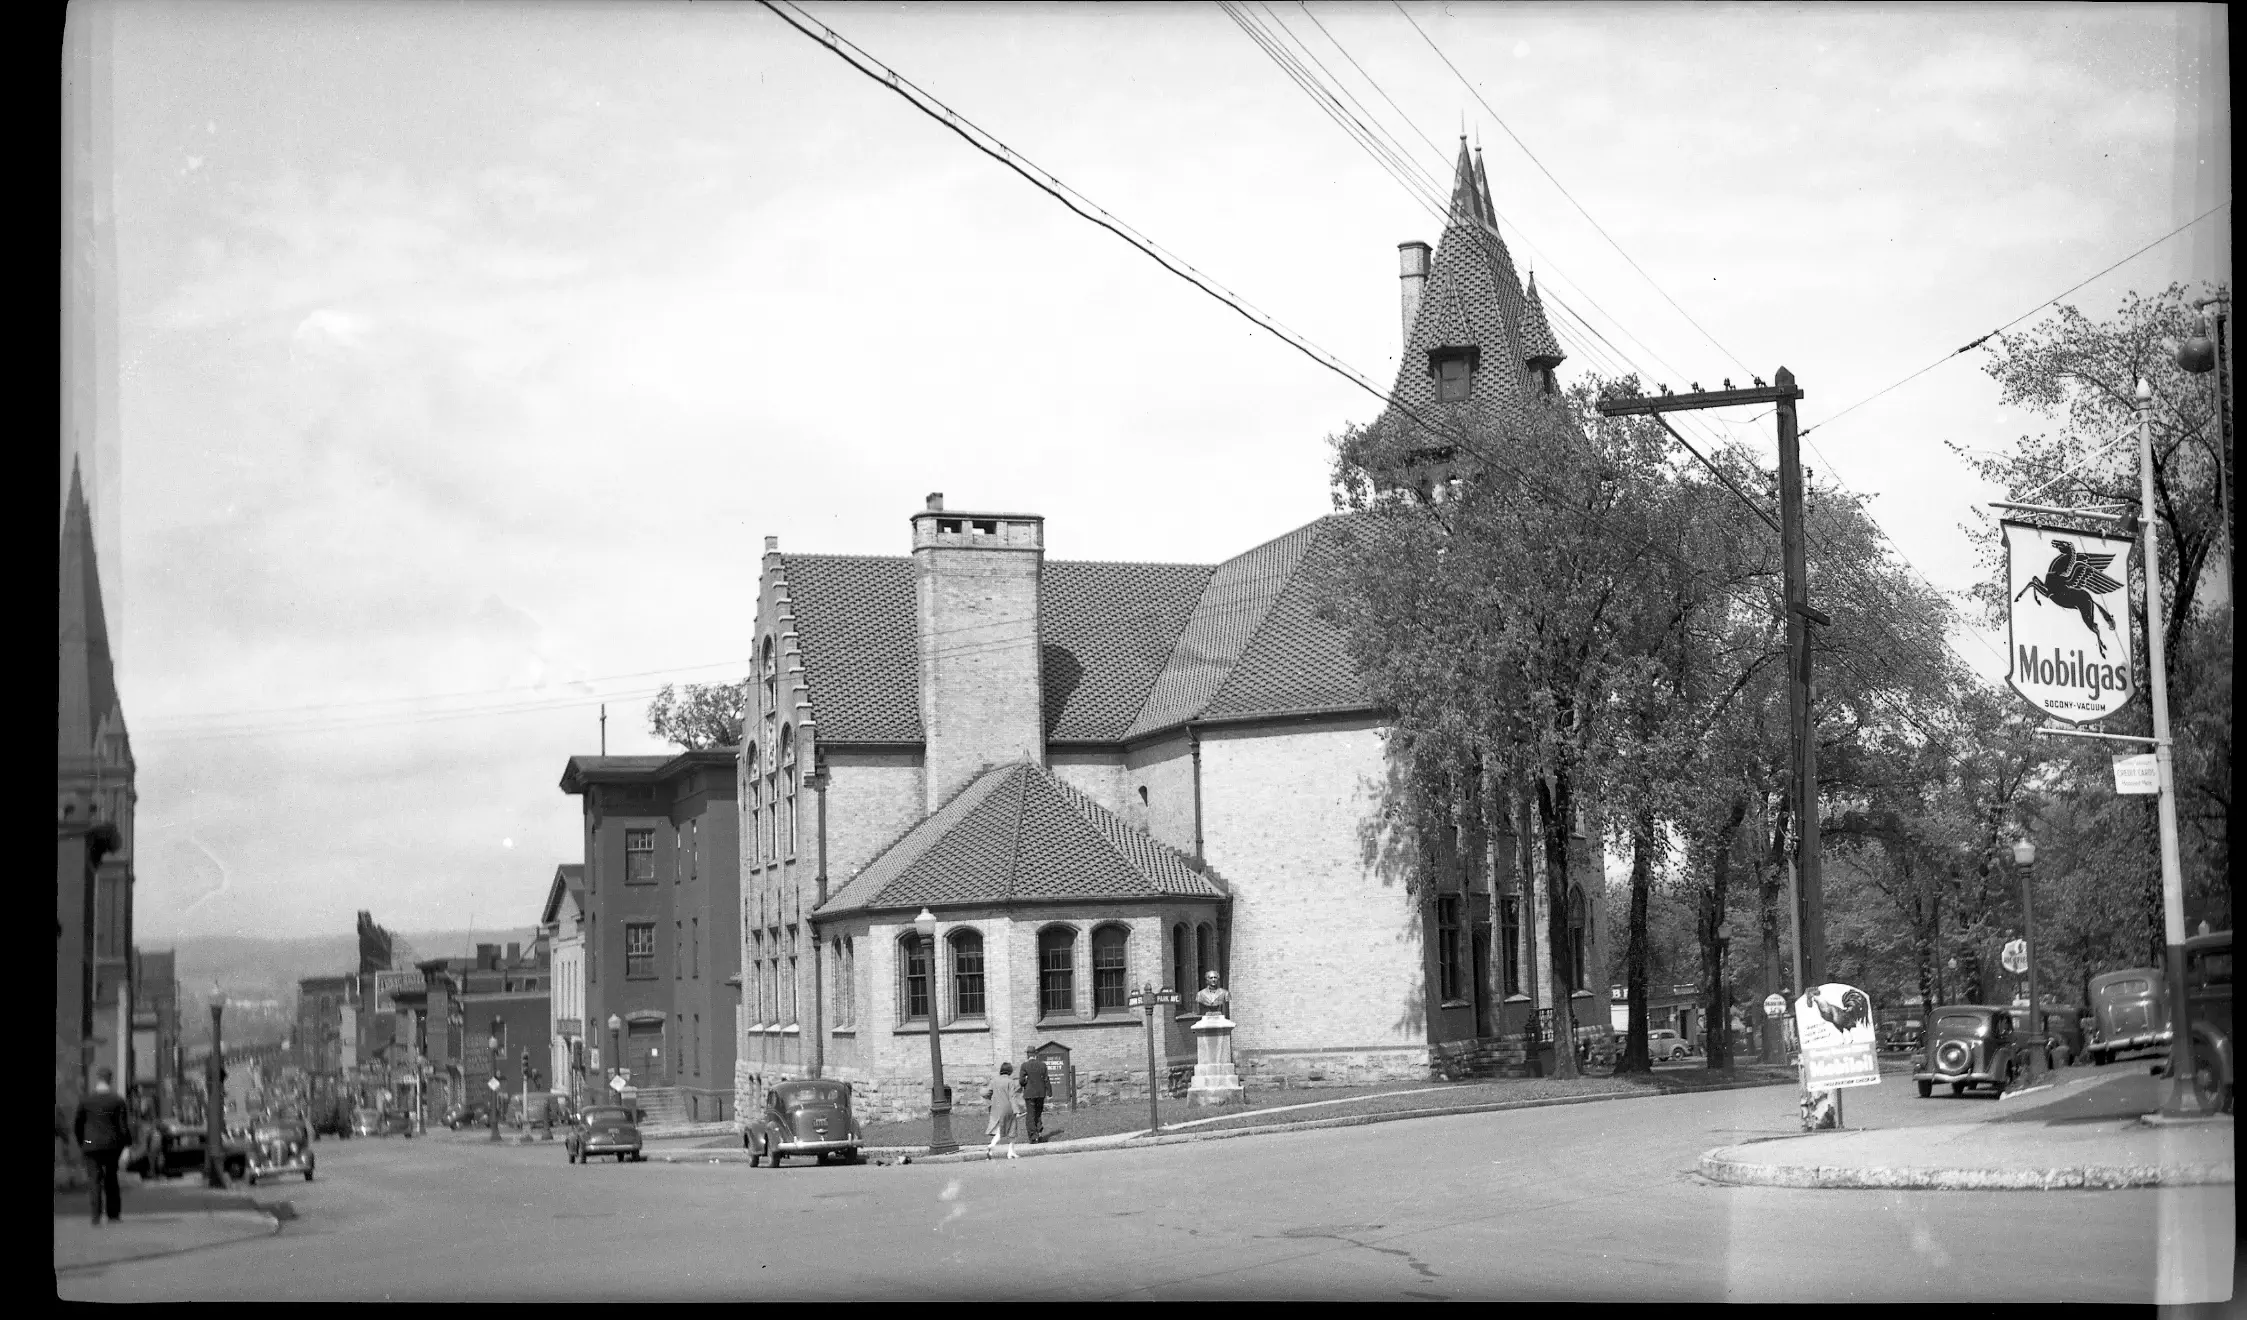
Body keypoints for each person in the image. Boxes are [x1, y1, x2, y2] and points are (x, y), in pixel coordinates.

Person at [75, 1067, 135, 1226]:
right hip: (111, 1145)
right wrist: (127, 1145)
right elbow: (123, 1127)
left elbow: (78, 1125)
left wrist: (83, 1142)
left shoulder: (86, 1100)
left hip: (90, 1145)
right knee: (111, 1178)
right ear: (110, 1080)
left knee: (94, 1180)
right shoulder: (117, 1100)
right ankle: (113, 1215)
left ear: (98, 1079)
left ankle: (95, 1216)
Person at [982, 1061, 1021, 1160]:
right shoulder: (1010, 1081)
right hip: (1008, 1108)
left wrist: (988, 1099)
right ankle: (1010, 1151)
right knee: (1012, 1130)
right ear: (1010, 1071)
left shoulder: (994, 1080)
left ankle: (992, 1145)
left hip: (996, 1109)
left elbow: (987, 1093)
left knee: (1000, 1129)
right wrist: (1016, 1110)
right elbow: (1012, 1097)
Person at [1018, 1048, 1052, 1143]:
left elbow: (1021, 1081)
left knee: (1030, 1115)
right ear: (1035, 1054)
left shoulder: (1024, 1066)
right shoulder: (1042, 1065)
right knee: (1038, 1114)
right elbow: (1046, 1079)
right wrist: (1050, 1092)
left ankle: (1033, 1137)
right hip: (1040, 1093)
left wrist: (1026, 1080)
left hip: (1029, 1094)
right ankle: (1039, 1134)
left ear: (1027, 1055)